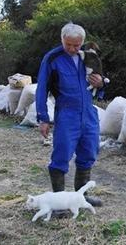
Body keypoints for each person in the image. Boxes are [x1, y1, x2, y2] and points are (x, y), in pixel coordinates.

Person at [35, 22, 104, 207]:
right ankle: (59, 202)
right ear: (62, 40)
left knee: (89, 151)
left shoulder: (88, 57)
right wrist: (43, 118)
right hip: (67, 113)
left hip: (88, 112)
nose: (73, 49)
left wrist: (100, 84)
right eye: (69, 45)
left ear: (82, 42)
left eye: (77, 45)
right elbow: (42, 88)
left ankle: (81, 197)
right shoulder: (52, 59)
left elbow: (100, 84)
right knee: (61, 154)